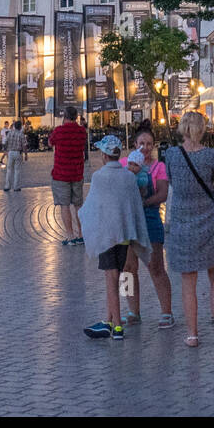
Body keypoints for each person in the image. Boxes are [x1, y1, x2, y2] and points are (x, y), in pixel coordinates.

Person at [164, 110, 214, 347]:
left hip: (183, 221)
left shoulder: (171, 154)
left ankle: (192, 335)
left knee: (188, 282)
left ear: (182, 129)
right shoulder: (210, 156)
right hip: (208, 219)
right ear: (203, 130)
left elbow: (172, 181)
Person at [78, 135, 151, 340]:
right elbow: (132, 205)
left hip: (107, 235)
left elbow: (93, 205)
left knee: (111, 279)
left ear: (103, 155)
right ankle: (108, 320)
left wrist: (82, 218)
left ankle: (117, 326)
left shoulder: (100, 176)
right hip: (125, 235)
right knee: (117, 275)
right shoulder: (128, 176)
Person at [120, 125, 173, 327]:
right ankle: (132, 310)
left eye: (149, 144)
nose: (145, 147)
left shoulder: (158, 167)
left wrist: (143, 202)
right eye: (141, 143)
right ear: (134, 144)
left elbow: (162, 193)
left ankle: (167, 311)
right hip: (128, 221)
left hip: (149, 219)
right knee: (127, 269)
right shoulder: (125, 163)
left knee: (156, 267)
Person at [49, 106, 88, 245]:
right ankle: (81, 234)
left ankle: (70, 236)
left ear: (64, 116)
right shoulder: (82, 131)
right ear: (76, 116)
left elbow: (50, 142)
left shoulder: (58, 131)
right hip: (77, 173)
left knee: (64, 205)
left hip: (61, 174)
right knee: (78, 204)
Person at [2, 117, 26, 191]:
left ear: (14, 126)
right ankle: (16, 187)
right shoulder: (21, 134)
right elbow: (24, 145)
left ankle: (7, 186)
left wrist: (6, 151)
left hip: (10, 152)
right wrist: (26, 154)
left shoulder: (10, 133)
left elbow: (5, 142)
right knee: (17, 170)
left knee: (9, 170)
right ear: (20, 127)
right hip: (18, 153)